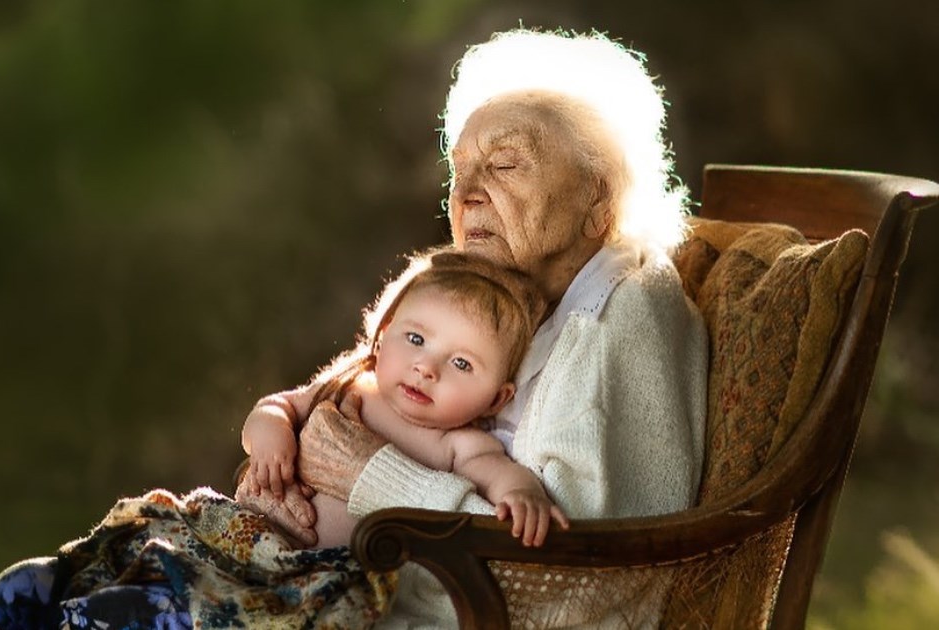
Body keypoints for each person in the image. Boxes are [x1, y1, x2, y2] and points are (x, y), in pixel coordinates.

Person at [238, 27, 708, 628]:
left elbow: (579, 566)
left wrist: (366, 475)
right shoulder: (515, 303)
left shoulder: (622, 311)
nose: (467, 194)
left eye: (506, 164)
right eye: (460, 171)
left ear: (598, 199)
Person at [243, 248, 571, 549]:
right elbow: (276, 406)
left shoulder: (459, 445)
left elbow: (502, 476)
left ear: (496, 400)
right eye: (416, 338)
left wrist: (523, 495)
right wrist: (271, 436)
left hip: (334, 579)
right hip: (249, 534)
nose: (426, 368)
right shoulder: (352, 386)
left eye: (461, 363)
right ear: (384, 335)